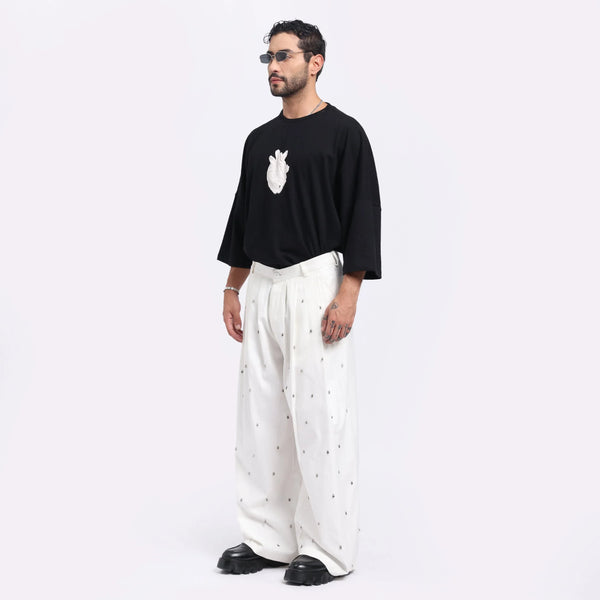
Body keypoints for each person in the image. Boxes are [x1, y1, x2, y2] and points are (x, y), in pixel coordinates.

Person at [215, 19, 382, 586]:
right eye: (268, 57)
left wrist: (349, 292)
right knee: (260, 416)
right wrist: (233, 287)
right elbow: (244, 216)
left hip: (315, 284)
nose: (273, 66)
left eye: (284, 56)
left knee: (320, 416)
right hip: (262, 283)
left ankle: (328, 547)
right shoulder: (258, 139)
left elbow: (362, 211)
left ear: (315, 62)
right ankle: (268, 538)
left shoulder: (344, 134)